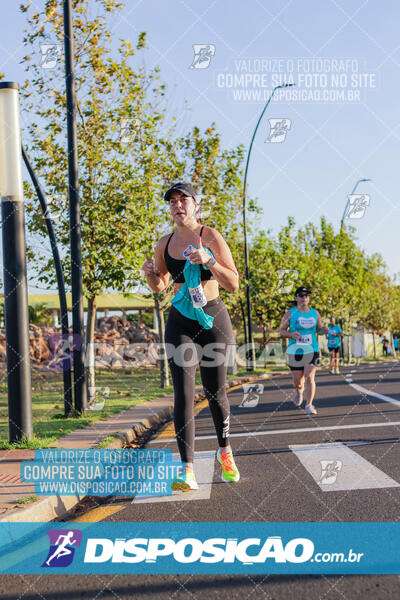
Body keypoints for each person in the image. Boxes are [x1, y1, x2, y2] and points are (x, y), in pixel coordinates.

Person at [141, 182, 240, 491]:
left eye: (183, 200)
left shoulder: (210, 236)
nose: (177, 205)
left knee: (215, 393)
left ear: (196, 205)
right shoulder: (165, 243)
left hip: (213, 319)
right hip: (180, 321)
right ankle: (187, 470)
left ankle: (225, 452)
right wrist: (149, 275)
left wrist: (208, 260)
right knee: (183, 394)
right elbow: (162, 286)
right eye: (172, 201)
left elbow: (233, 283)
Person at [279, 286, 329, 415]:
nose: (304, 298)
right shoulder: (289, 313)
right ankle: (298, 391)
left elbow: (319, 329)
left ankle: (309, 404)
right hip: (295, 350)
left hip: (312, 349)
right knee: (298, 381)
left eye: (306, 296)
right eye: (301, 295)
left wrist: (324, 330)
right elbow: (281, 331)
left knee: (309, 377)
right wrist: (291, 335)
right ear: (296, 298)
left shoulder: (315, 313)